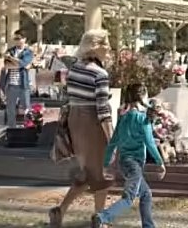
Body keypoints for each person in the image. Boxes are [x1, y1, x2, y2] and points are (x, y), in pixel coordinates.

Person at [49, 29, 114, 227]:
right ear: (96, 47)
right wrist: (112, 139)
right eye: (106, 45)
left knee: (87, 172)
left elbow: (70, 97)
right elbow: (103, 111)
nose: (109, 49)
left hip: (75, 122)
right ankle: (99, 218)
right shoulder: (100, 73)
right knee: (101, 173)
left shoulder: (75, 69)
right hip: (92, 123)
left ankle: (60, 210)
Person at [91, 83, 165, 228]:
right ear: (143, 97)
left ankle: (149, 225)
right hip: (134, 164)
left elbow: (112, 143)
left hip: (124, 163)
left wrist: (106, 164)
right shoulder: (142, 120)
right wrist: (160, 163)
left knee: (146, 194)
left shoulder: (123, 119)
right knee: (129, 198)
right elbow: (150, 143)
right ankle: (102, 217)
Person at [1, 30, 34, 127]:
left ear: (24, 39)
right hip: (11, 84)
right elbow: (7, 65)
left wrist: (12, 59)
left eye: (18, 38)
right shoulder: (10, 51)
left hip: (23, 84)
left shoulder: (28, 52)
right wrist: (21, 64)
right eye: (15, 38)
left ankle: (28, 128)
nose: (16, 41)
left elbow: (23, 63)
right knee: (10, 109)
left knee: (26, 109)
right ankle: (12, 130)